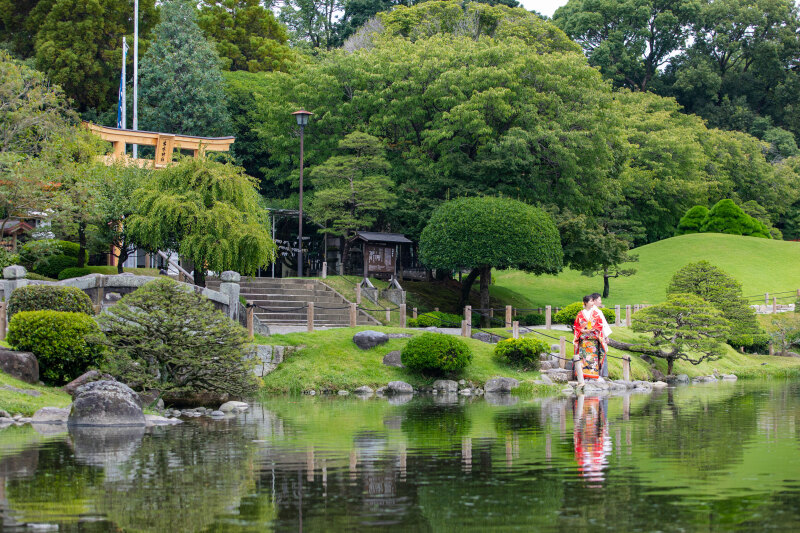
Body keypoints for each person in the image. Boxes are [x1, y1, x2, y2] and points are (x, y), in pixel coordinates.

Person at [572, 294, 608, 380]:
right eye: (591, 301)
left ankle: (593, 375)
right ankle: (583, 375)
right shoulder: (580, 314)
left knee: (593, 358)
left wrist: (593, 329)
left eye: (593, 301)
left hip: (593, 341)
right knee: (583, 357)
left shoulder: (596, 313)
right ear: (585, 303)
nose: (593, 303)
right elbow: (576, 326)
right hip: (584, 341)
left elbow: (600, 325)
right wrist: (582, 330)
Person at [589, 293, 612, 378]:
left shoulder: (588, 311)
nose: (600, 301)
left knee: (592, 355)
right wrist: (606, 337)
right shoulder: (597, 312)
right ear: (594, 301)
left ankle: (592, 373)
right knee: (602, 353)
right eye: (599, 299)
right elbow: (603, 325)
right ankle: (604, 375)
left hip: (590, 337)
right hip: (599, 336)